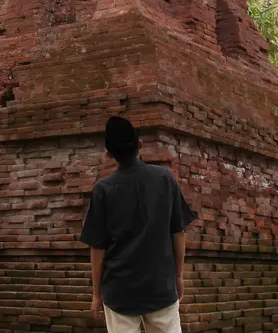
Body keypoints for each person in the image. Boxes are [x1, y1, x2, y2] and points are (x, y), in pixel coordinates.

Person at [80, 116, 197, 333]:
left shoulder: (103, 189)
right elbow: (178, 232)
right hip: (160, 286)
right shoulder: (164, 178)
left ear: (108, 153)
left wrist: (96, 295)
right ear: (139, 145)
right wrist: (178, 276)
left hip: (119, 291)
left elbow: (97, 247)